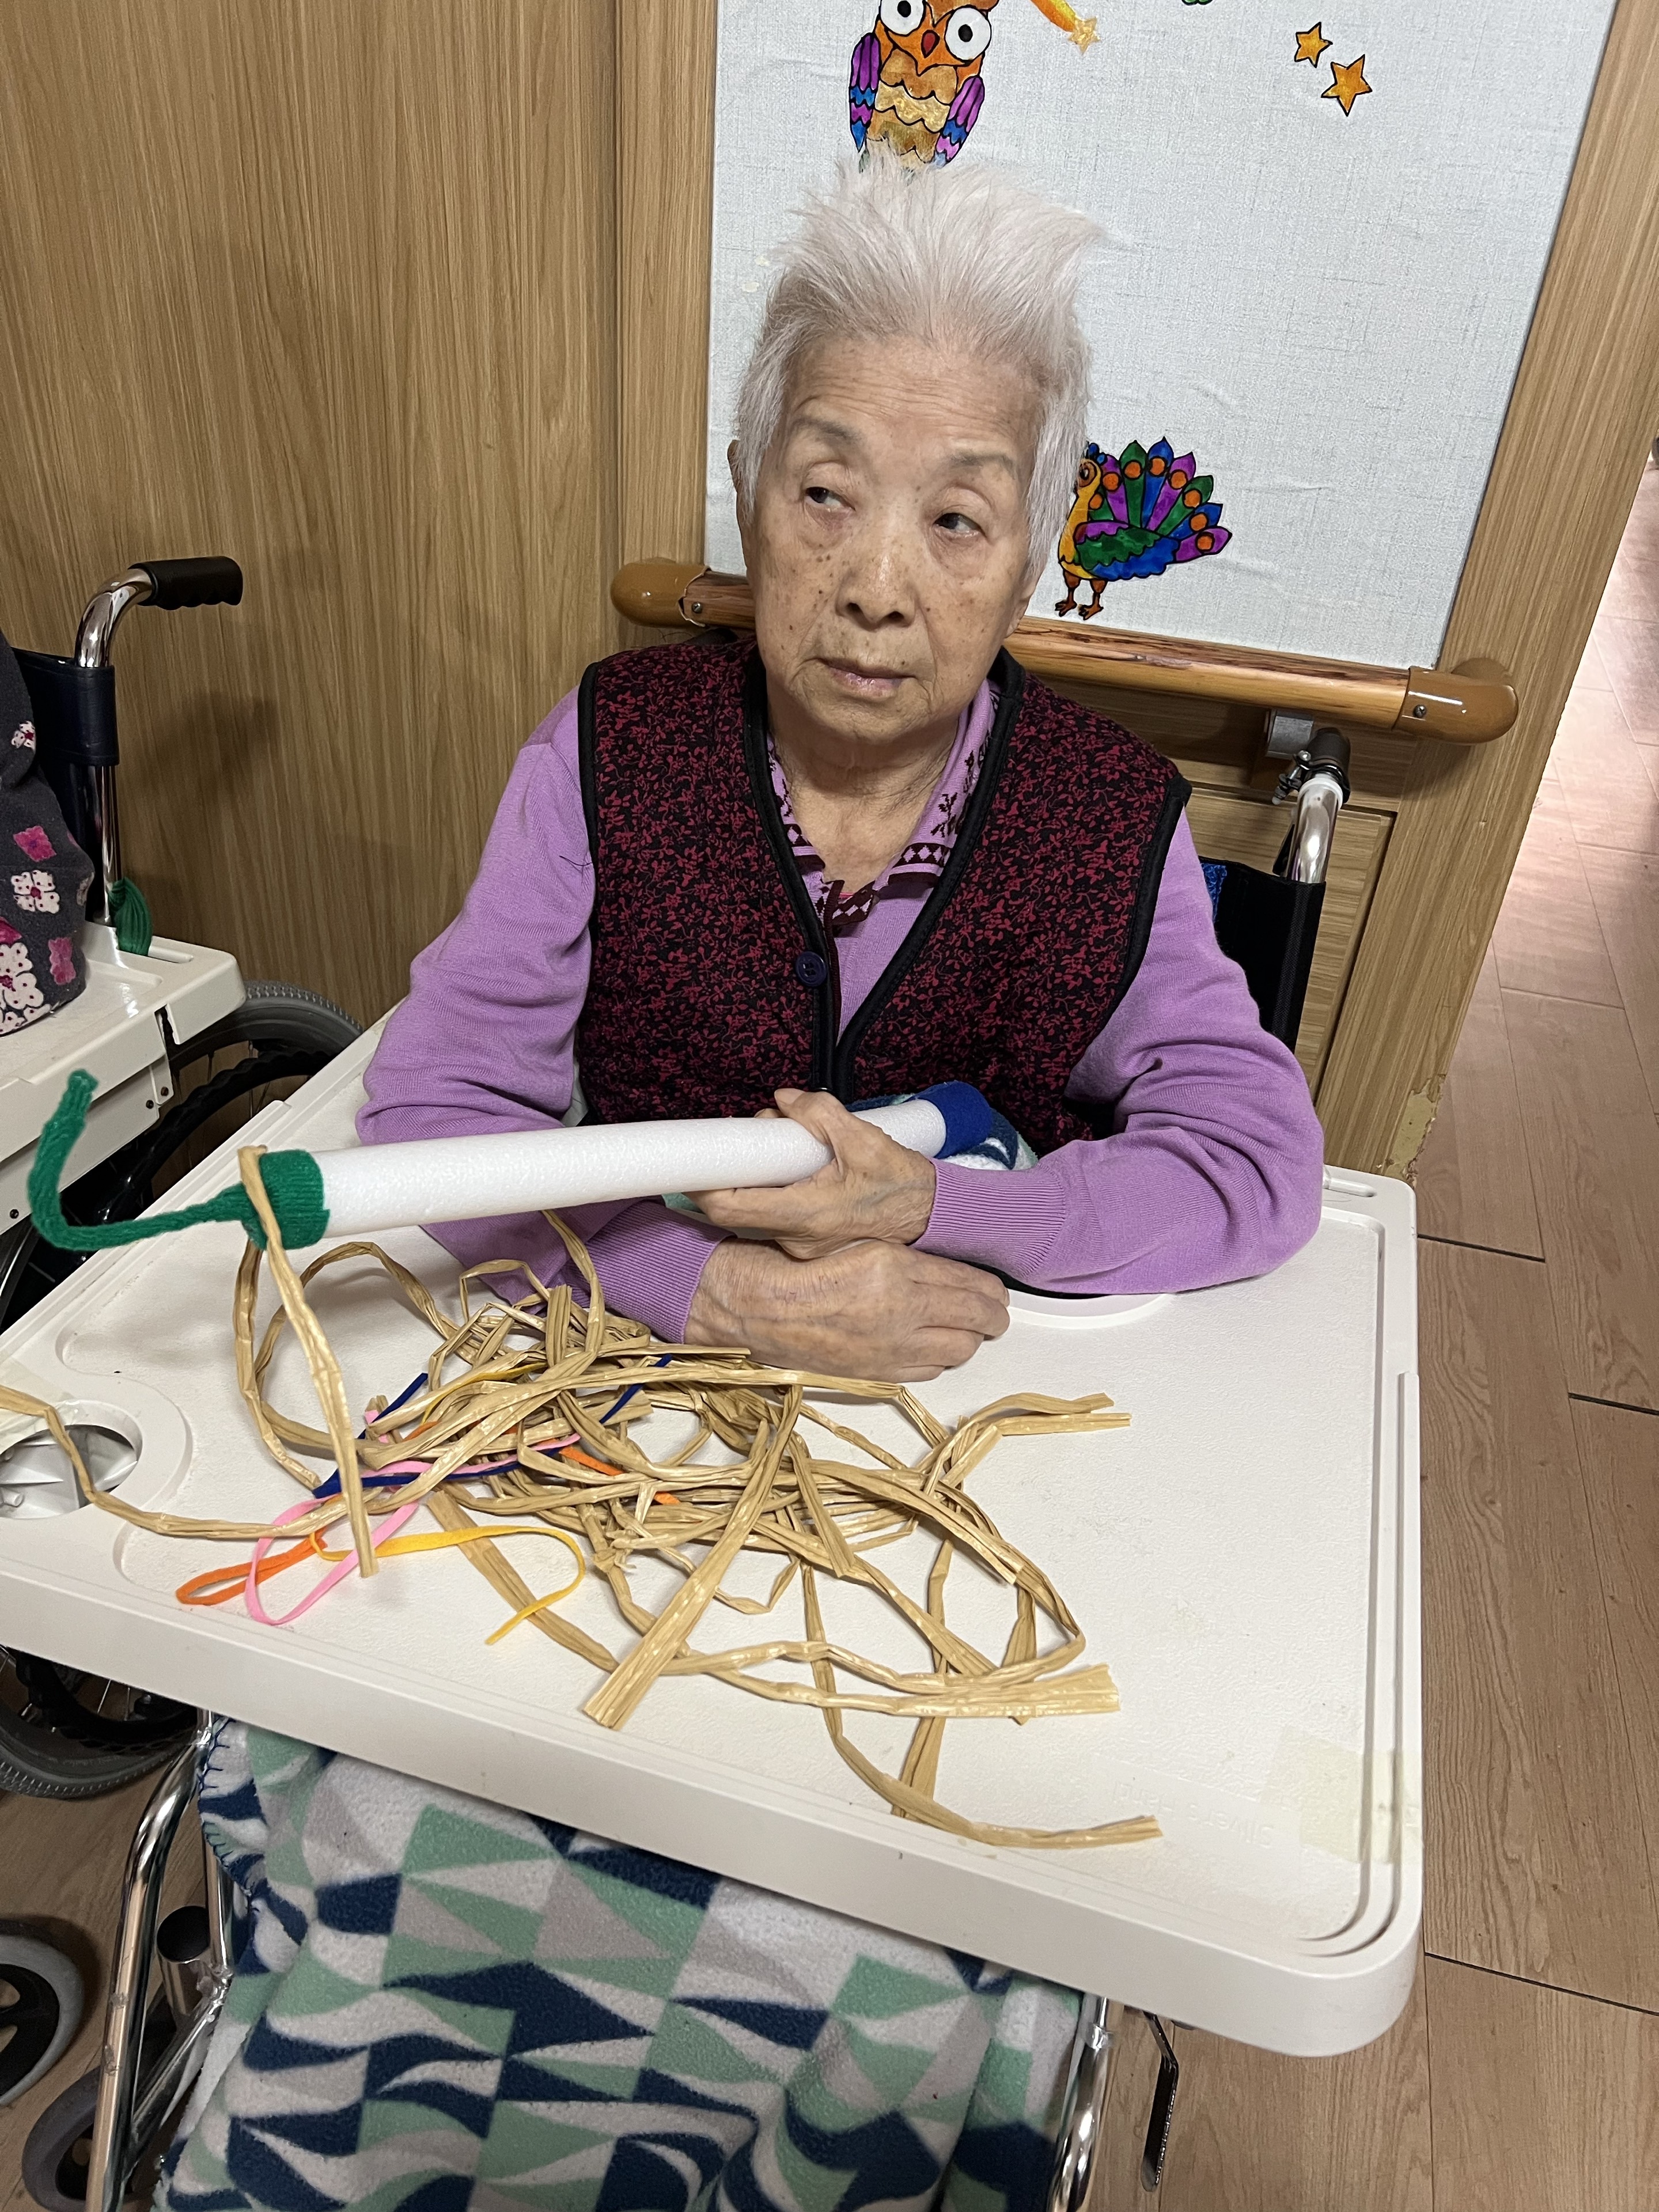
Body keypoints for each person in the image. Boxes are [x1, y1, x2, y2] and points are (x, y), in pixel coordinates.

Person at [160, 156, 1322, 2212]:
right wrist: (694, 1287)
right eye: (826, 490)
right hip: (589, 1443)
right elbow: (434, 1123)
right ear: (746, 492)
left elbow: (1256, 1162)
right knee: (381, 1828)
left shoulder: (1107, 823)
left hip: (932, 1511)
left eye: (956, 516)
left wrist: (932, 1211)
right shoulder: (612, 755)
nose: (878, 582)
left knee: (902, 1937)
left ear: (1032, 555)